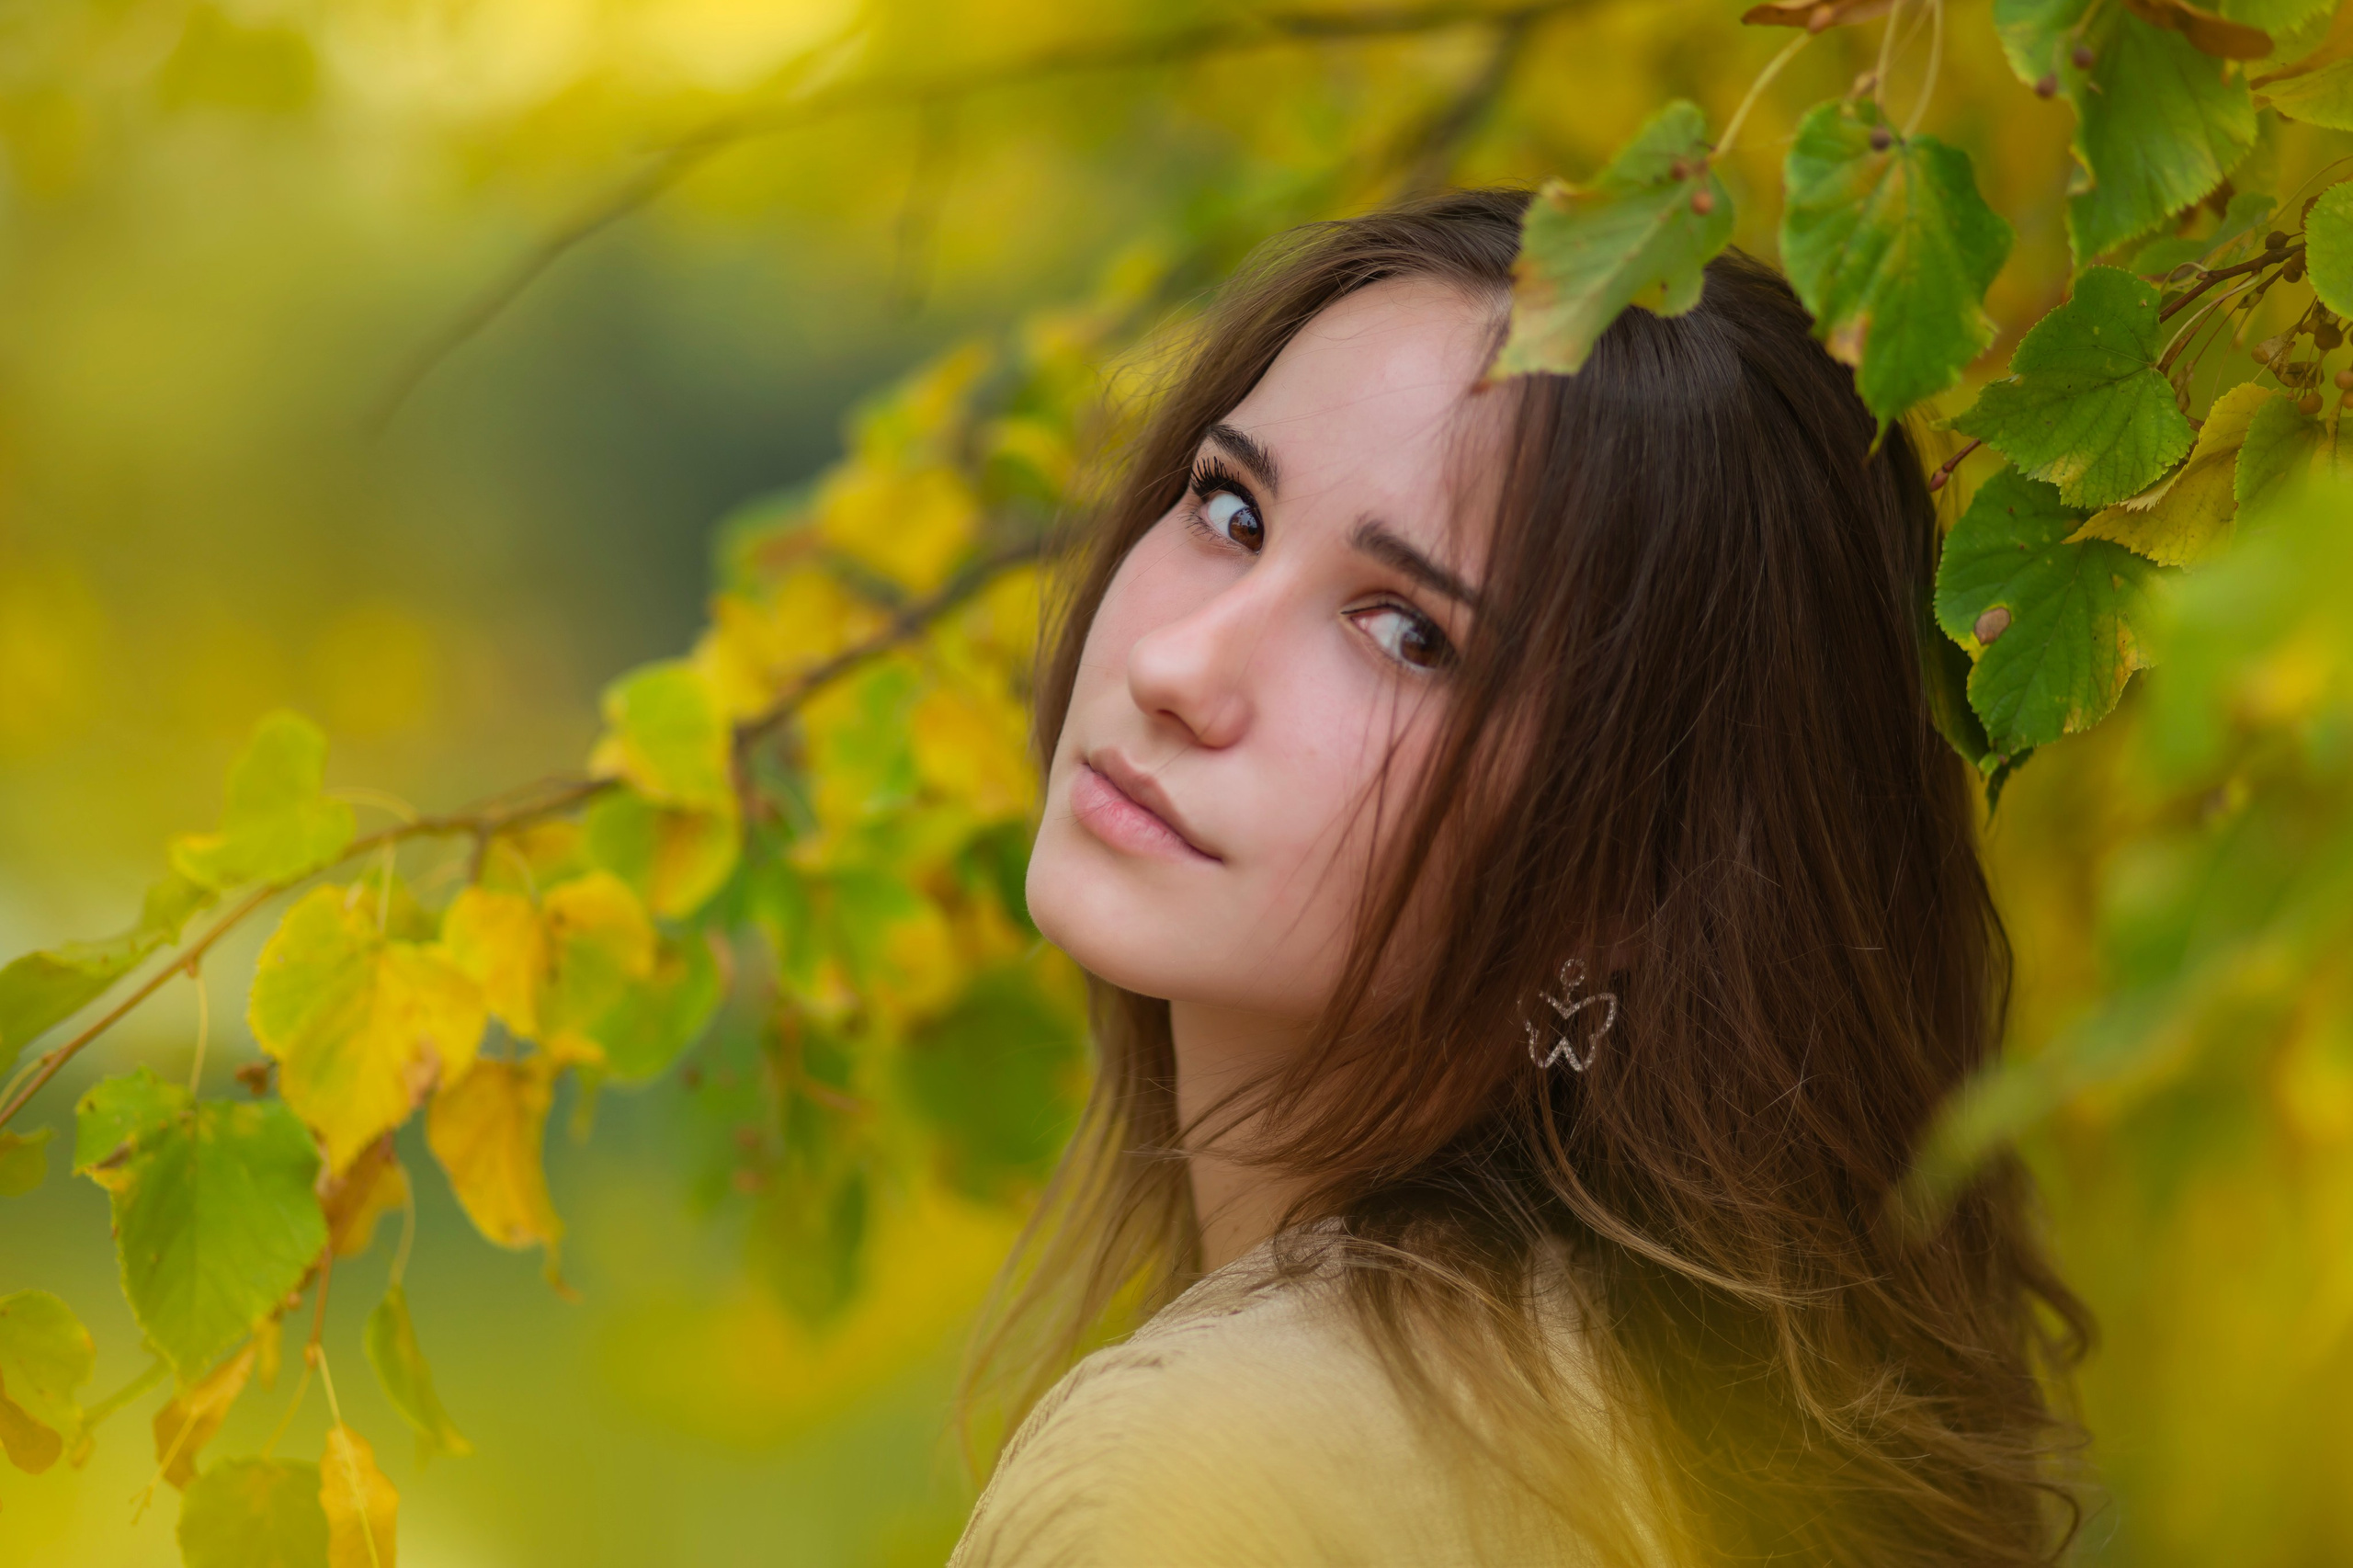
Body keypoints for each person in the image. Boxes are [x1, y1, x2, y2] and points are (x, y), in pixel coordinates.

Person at [948, 187, 2090, 1568]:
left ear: (1629, 881)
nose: (1179, 669)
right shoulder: (1669, 1414)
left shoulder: (1201, 1472)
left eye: (1408, 634)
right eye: (1231, 510)